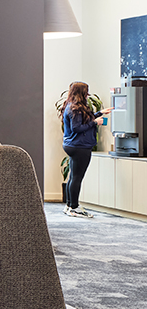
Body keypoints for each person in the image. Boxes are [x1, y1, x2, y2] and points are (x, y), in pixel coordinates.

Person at [60, 82, 111, 218]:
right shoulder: (75, 108)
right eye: (86, 91)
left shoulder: (71, 106)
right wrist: (95, 122)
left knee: (73, 176)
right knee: (77, 177)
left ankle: (70, 206)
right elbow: (77, 127)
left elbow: (82, 120)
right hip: (79, 146)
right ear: (82, 92)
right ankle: (75, 207)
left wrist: (99, 113)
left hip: (72, 145)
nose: (88, 94)